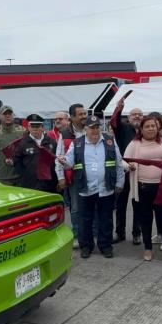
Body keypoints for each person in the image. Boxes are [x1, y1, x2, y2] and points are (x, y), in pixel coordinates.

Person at [58, 115, 125, 259]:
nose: (95, 131)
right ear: (86, 129)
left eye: (97, 127)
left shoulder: (109, 141)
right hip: (85, 189)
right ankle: (86, 246)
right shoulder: (77, 143)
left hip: (105, 188)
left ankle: (105, 246)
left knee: (106, 219)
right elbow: (70, 163)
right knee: (85, 220)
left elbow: (119, 163)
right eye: (91, 128)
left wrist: (120, 182)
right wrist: (64, 162)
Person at [124, 116, 162, 261]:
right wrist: (129, 166)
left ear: (158, 128)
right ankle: (147, 248)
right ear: (141, 129)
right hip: (143, 187)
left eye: (153, 126)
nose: (151, 128)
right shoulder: (135, 143)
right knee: (145, 219)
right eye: (147, 126)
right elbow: (123, 161)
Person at [109, 97, 143, 245]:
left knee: (138, 204)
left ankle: (137, 233)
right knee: (121, 204)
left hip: (140, 172)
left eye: (139, 114)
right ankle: (119, 232)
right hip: (123, 171)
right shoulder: (123, 128)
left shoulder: (146, 131)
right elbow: (114, 122)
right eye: (134, 114)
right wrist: (119, 108)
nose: (137, 116)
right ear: (128, 118)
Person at [57, 103, 89, 249]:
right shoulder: (64, 134)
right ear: (72, 117)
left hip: (93, 176)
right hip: (74, 177)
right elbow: (59, 157)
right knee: (75, 208)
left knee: (92, 207)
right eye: (81, 114)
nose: (84, 116)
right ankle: (77, 235)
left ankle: (92, 234)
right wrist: (60, 177)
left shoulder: (93, 128)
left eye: (85, 114)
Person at [13, 114, 59, 193]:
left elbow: (56, 162)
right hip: (29, 184)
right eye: (32, 126)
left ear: (42, 127)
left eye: (37, 126)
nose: (35, 129)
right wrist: (26, 175)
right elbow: (16, 161)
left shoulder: (51, 142)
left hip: (49, 184)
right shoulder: (22, 143)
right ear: (29, 127)